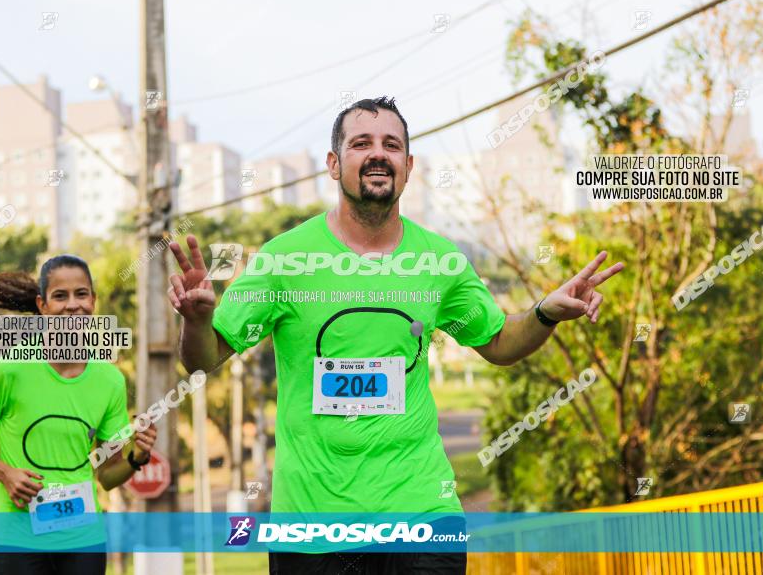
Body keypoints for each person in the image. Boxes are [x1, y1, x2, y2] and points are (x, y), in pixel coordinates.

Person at [167, 97, 624, 574]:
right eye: (361, 143)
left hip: (423, 513)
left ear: (407, 166)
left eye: (391, 144)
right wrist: (197, 320)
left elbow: (500, 342)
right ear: (333, 163)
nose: (377, 154)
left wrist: (545, 312)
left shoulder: (440, 260)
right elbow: (204, 360)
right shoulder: (284, 260)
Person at [0, 254, 157, 575]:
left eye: (81, 294)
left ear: (93, 301)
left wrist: (137, 458)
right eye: (60, 296)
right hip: (18, 535)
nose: (73, 305)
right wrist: (5, 473)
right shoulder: (13, 367)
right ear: (42, 306)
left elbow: (107, 476)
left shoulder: (110, 379)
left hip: (83, 536)